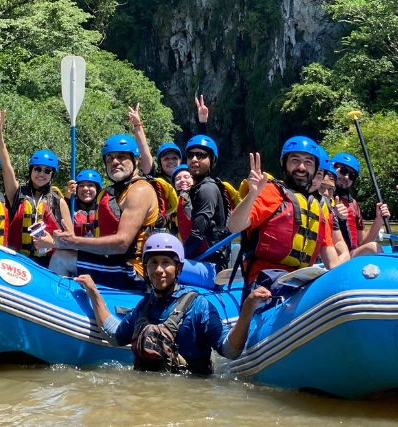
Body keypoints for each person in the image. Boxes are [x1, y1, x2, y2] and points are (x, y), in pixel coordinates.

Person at [75, 232, 270, 374]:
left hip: (189, 396)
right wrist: (94, 294)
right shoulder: (145, 306)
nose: (159, 270)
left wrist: (247, 309)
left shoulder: (199, 306)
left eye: (166, 262)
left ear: (178, 268)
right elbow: (115, 336)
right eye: (153, 262)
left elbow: (229, 351)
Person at [52, 133, 165, 291]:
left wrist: (73, 241)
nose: (115, 162)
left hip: (135, 271)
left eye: (121, 156)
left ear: (136, 160)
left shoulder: (139, 190)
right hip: (116, 262)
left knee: (61, 258)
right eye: (110, 158)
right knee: (68, 251)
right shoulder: (116, 191)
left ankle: (60, 305)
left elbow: (121, 244)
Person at [227, 137, 342, 290]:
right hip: (265, 282)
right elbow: (234, 226)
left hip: (302, 282)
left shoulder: (318, 210)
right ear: (284, 163)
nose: (301, 167)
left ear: (315, 170)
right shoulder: (271, 192)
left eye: (308, 162)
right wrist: (252, 195)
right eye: (295, 160)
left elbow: (333, 263)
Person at [0, 110, 72, 267]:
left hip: (47, 264)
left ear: (52, 175)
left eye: (47, 171)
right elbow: (7, 167)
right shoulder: (17, 194)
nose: (41, 174)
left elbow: (72, 239)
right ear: (31, 171)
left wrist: (52, 242)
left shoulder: (58, 202)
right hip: (17, 261)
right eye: (38, 169)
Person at [178, 135, 230, 268]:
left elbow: (197, 234)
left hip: (211, 265)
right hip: (200, 261)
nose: (194, 159)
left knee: (161, 268)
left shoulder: (207, 189)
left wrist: (179, 258)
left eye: (200, 155)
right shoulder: (196, 189)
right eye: (190, 155)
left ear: (211, 160)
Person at [331, 152, 390, 255]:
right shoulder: (321, 196)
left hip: (350, 256)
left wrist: (379, 220)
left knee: (373, 247)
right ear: (332, 167)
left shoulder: (353, 204)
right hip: (331, 257)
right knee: (373, 248)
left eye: (352, 176)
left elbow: (363, 243)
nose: (346, 177)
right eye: (343, 171)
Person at [69, 169, 102, 238]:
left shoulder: (104, 209)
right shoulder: (68, 208)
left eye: (90, 185)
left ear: (97, 189)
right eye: (81, 185)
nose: (85, 188)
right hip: (74, 248)